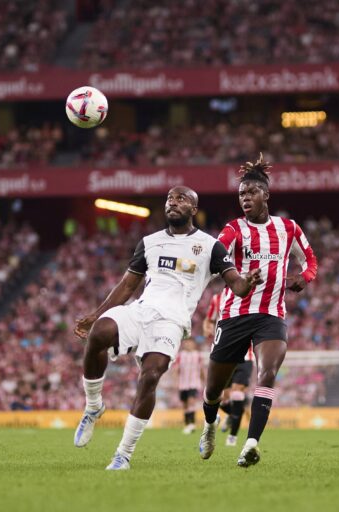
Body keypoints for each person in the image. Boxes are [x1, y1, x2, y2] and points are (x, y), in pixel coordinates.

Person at [73, 186, 263, 470]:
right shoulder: (150, 242)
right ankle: (93, 406)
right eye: (169, 199)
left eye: (181, 198)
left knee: (149, 377)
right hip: (142, 310)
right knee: (99, 332)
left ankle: (123, 455)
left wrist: (247, 282)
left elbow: (235, 283)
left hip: (172, 321)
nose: (173, 202)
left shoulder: (210, 246)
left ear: (193, 209)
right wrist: (96, 314)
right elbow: (128, 285)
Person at [199, 154, 318, 467]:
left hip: (271, 317)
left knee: (267, 374)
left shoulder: (289, 229)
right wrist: (234, 274)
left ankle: (250, 444)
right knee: (213, 391)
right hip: (234, 315)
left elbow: (311, 261)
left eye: (251, 192)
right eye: (241, 194)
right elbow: (217, 251)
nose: (245, 198)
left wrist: (302, 278)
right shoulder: (234, 229)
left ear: (266, 194)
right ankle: (210, 425)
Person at [202, 291, 253, 447]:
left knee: (237, 393)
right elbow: (208, 320)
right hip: (225, 353)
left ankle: (233, 437)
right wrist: (208, 328)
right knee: (223, 398)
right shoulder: (217, 299)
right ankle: (233, 415)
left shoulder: (250, 294)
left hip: (246, 356)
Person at [175, 338, 205, 434]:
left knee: (191, 401)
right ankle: (187, 424)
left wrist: (204, 380)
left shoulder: (198, 355)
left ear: (194, 345)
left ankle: (192, 424)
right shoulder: (180, 355)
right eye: (187, 343)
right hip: (183, 384)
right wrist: (176, 381)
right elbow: (176, 369)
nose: (188, 345)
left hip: (194, 383)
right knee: (185, 405)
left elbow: (201, 369)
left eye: (190, 343)